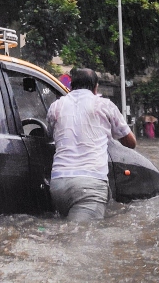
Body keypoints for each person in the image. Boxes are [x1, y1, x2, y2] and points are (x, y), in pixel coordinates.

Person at [47, 68, 136, 221]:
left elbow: (50, 135)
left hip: (58, 184)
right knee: (82, 239)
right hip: (89, 186)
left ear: (71, 86)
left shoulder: (56, 106)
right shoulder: (104, 105)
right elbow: (130, 142)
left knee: (66, 234)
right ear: (96, 87)